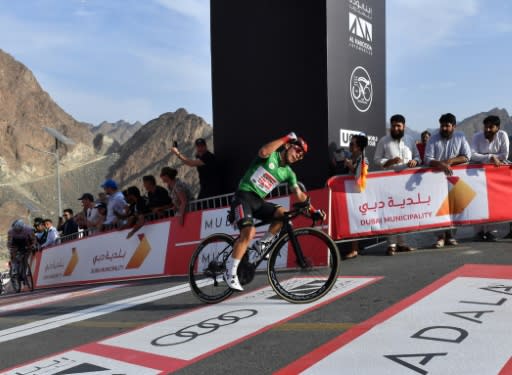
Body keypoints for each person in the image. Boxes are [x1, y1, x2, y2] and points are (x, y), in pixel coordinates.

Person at [224, 132, 325, 291]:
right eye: (298, 151)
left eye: (302, 156)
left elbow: (299, 195)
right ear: (288, 146)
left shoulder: (289, 173)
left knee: (282, 214)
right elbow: (263, 151)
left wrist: (313, 211)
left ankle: (262, 244)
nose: (299, 156)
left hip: (258, 202)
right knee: (249, 232)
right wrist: (286, 137)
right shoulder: (270, 156)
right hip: (243, 196)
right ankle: (230, 273)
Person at [374, 114, 420, 255]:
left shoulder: (411, 140)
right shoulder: (384, 141)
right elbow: (376, 159)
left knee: (403, 212)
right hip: (390, 182)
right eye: (393, 125)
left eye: (398, 126)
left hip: (406, 183)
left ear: (403, 126)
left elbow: (418, 157)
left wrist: (415, 162)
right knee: (391, 212)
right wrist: (389, 162)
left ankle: (402, 243)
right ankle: (391, 244)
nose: (395, 128)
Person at [424, 113, 471, 248]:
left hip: (454, 178)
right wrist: (441, 165)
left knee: (453, 207)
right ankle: (440, 237)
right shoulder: (433, 138)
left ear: (454, 126)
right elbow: (427, 158)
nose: (444, 128)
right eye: (442, 125)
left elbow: (467, 156)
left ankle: (451, 236)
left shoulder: (460, 136)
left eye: (447, 126)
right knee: (439, 207)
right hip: (436, 179)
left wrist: (450, 161)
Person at [470, 115, 510, 241]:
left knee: (494, 201)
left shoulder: (503, 136)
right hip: (478, 175)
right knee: (478, 201)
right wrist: (490, 157)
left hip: (495, 176)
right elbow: (472, 155)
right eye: (485, 127)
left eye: (490, 127)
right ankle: (479, 232)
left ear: (497, 128)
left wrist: (488, 156)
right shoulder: (477, 137)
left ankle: (491, 231)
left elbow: (504, 154)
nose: (487, 130)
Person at [343, 134, 369, 259]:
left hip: (358, 195)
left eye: (352, 144)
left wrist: (350, 166)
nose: (349, 146)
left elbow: (359, 177)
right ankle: (356, 247)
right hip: (350, 194)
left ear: (359, 147)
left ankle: (355, 249)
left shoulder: (364, 160)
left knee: (354, 220)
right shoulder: (351, 157)